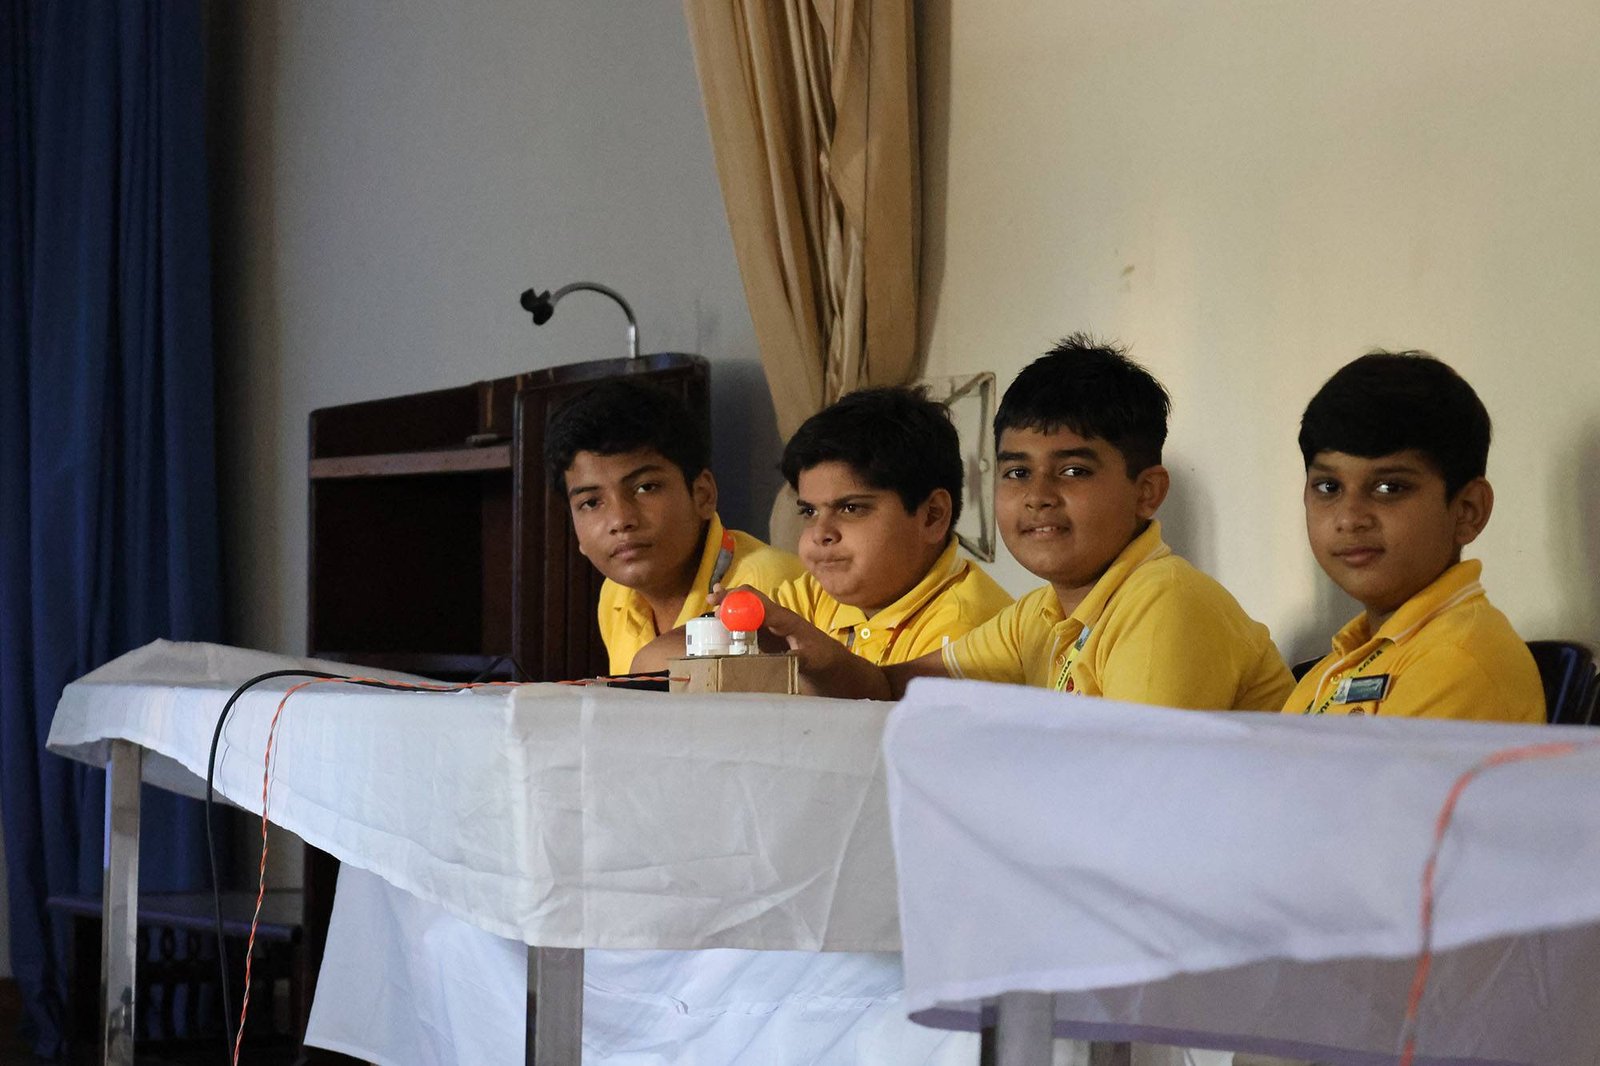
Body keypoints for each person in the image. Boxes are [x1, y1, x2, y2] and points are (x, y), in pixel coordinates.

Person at [749, 335, 1294, 711]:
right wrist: (816, 656)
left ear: (1146, 492)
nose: (1037, 497)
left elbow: (1135, 801)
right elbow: (891, 690)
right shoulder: (1040, 614)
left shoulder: (1164, 600)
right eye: (1016, 472)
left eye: (1073, 471)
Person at [1282, 351, 1543, 722]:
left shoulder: (1457, 660)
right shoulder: (1334, 666)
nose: (1350, 518)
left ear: (1467, 510)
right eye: (1329, 486)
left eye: (1389, 487)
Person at [545, 378, 803, 674]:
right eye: (591, 503)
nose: (620, 520)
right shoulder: (616, 595)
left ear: (703, 495)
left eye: (646, 487)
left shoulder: (777, 587)